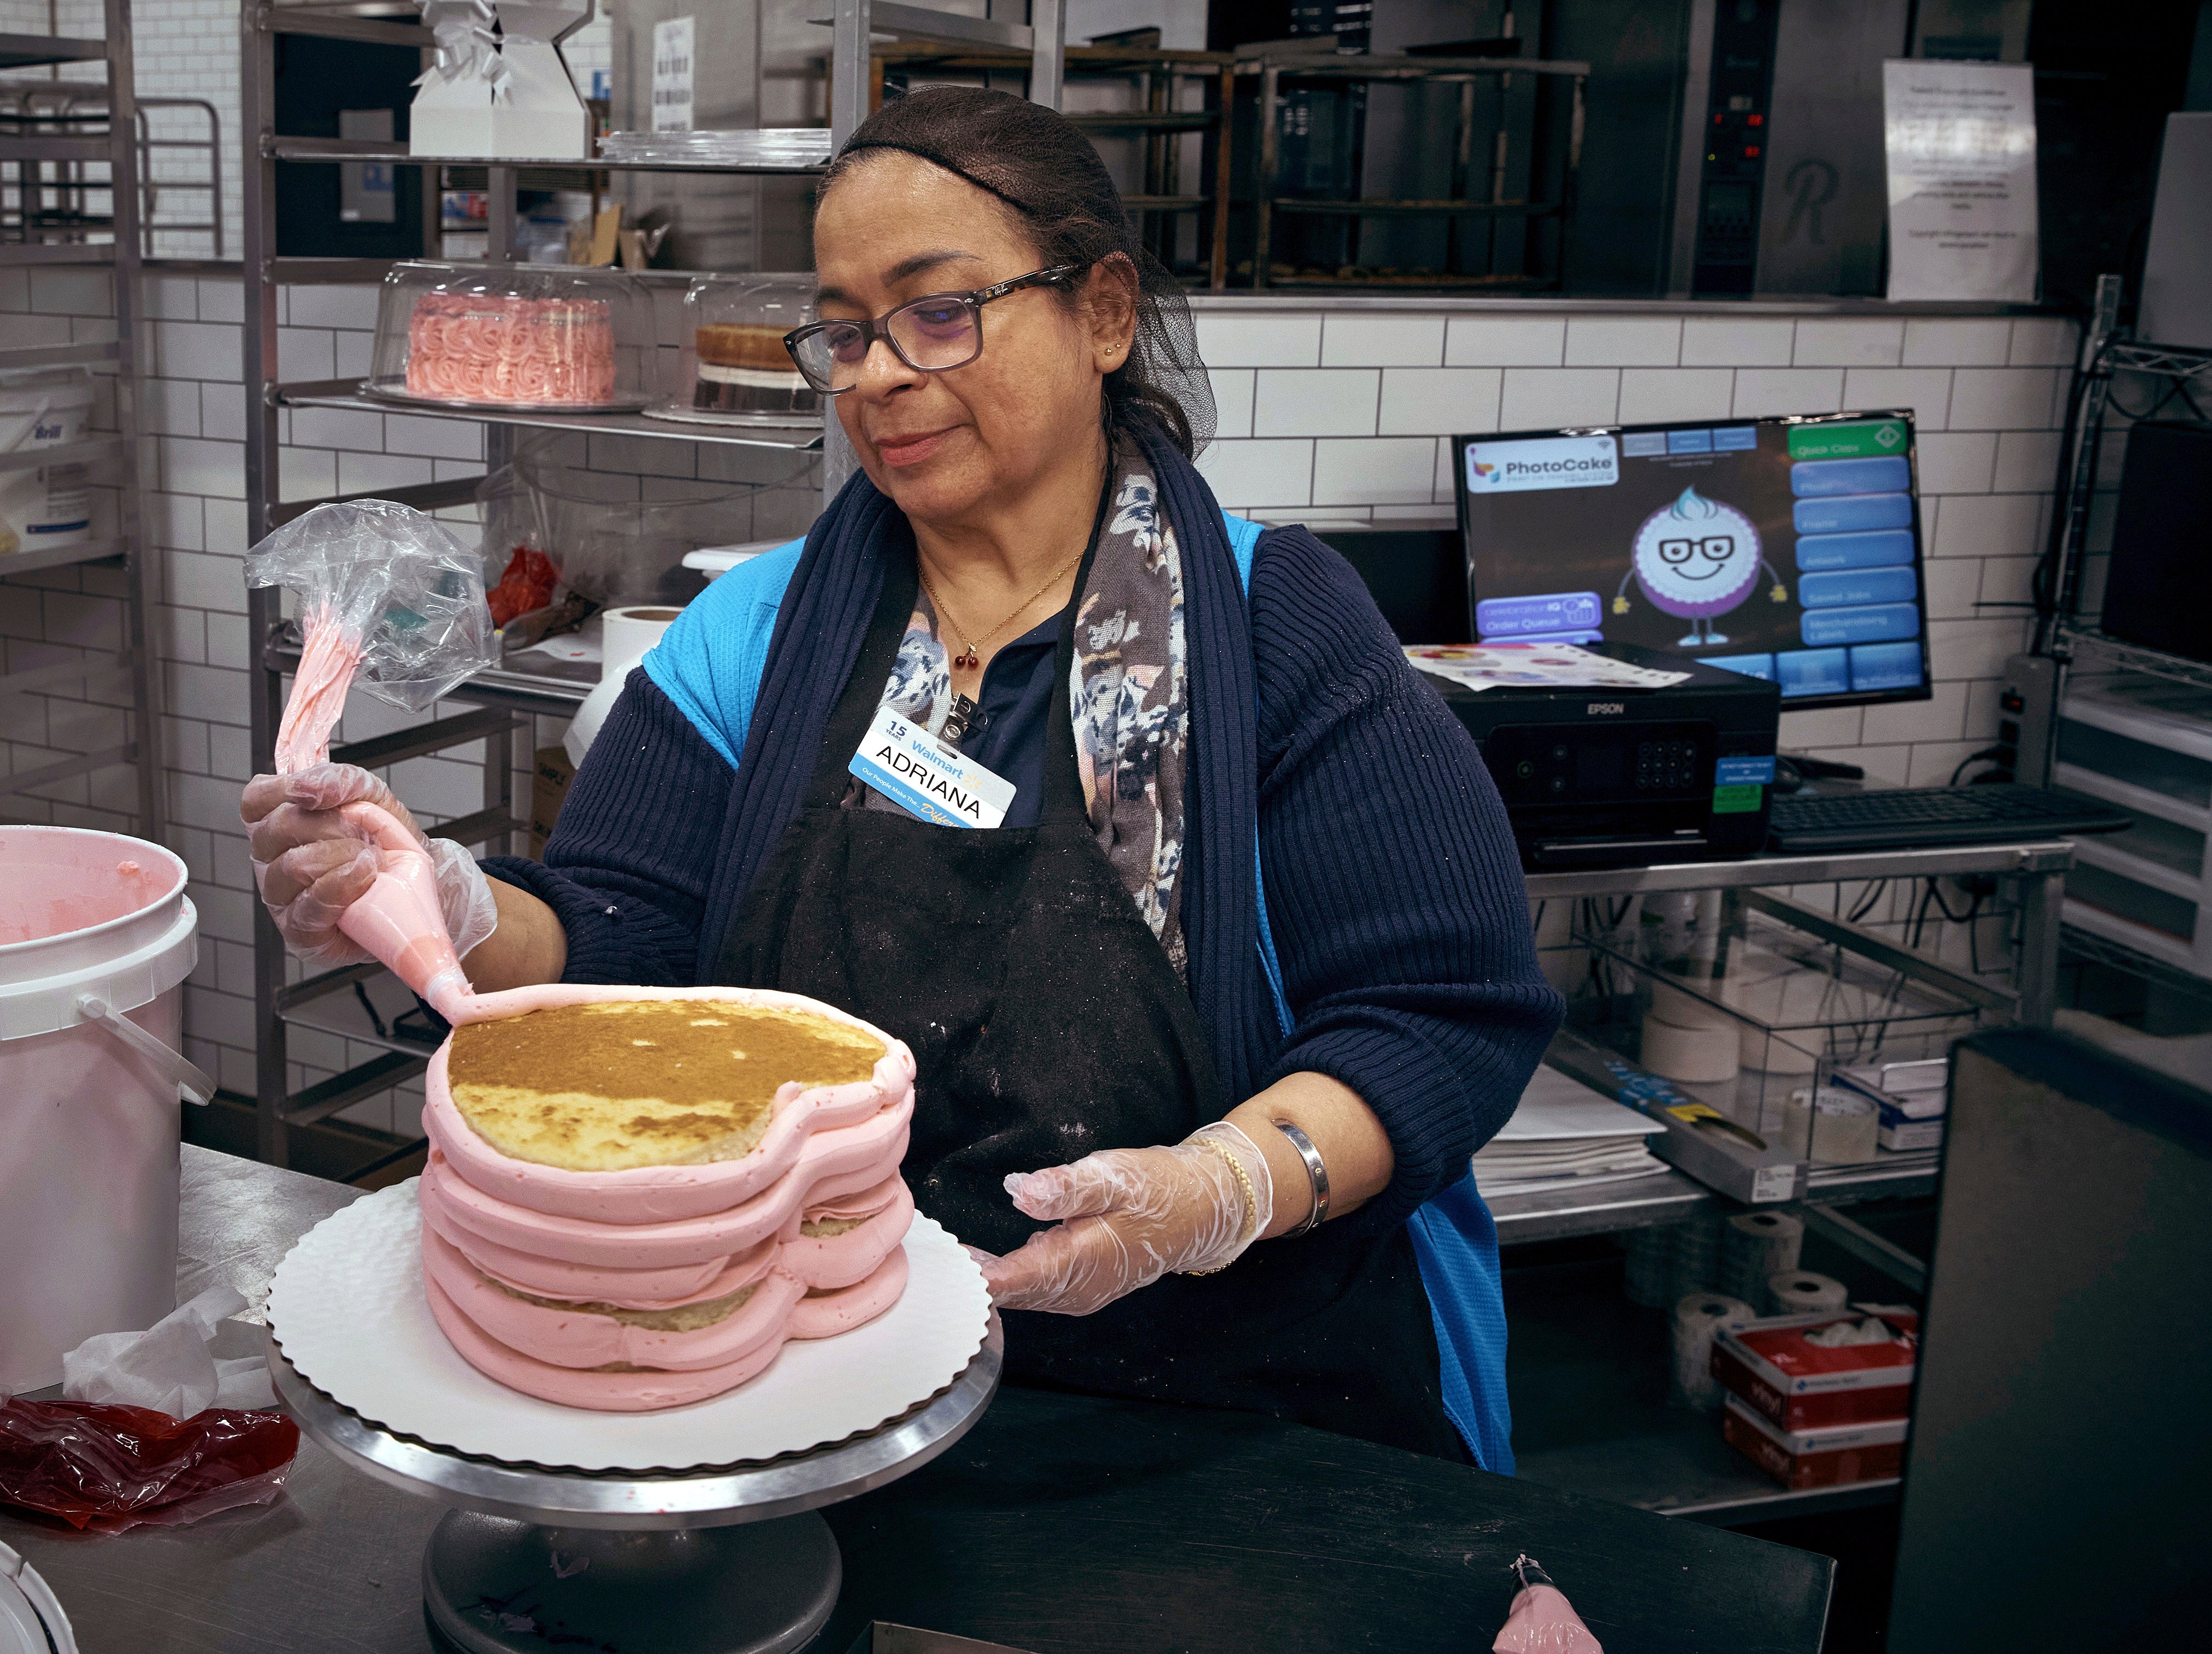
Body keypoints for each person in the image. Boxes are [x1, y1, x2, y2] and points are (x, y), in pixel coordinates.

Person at [243, 89, 1560, 1466]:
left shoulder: (1268, 628)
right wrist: (447, 903)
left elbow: (1435, 1011)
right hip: (809, 1366)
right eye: (846, 331)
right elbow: (622, 938)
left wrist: (1218, 1187)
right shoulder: (758, 635)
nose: (876, 374)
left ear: (1102, 313)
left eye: (939, 312)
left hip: (1238, 1387)